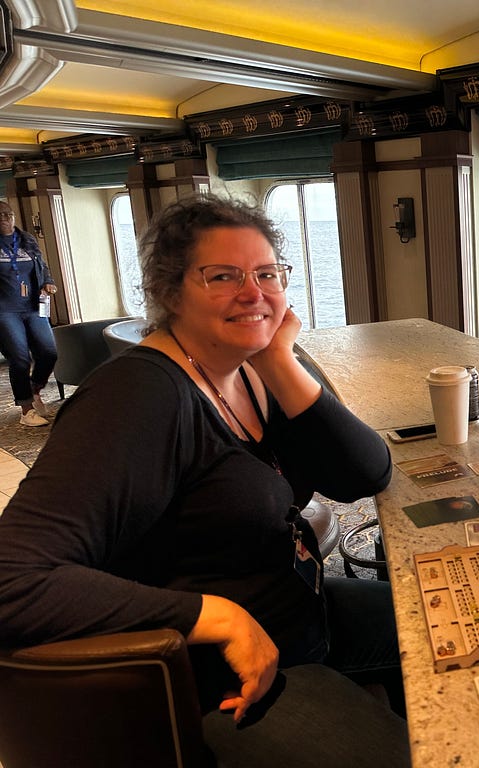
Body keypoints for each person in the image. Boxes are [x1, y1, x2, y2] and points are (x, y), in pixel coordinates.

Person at [0, 194, 410, 767]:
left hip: (303, 613)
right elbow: (12, 580)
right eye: (224, 276)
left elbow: (365, 473)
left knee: (471, 635)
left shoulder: (248, 368)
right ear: (170, 292)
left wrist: (277, 361)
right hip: (225, 682)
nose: (254, 292)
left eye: (268, 274)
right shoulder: (137, 397)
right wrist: (212, 614)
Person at [0, 201, 58, 427]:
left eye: (8, 214)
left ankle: (34, 390)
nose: (4, 218)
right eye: (0, 215)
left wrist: (48, 283)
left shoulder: (27, 240)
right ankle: (26, 410)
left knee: (48, 352)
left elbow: (42, 267)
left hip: (34, 306)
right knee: (20, 358)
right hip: (5, 311)